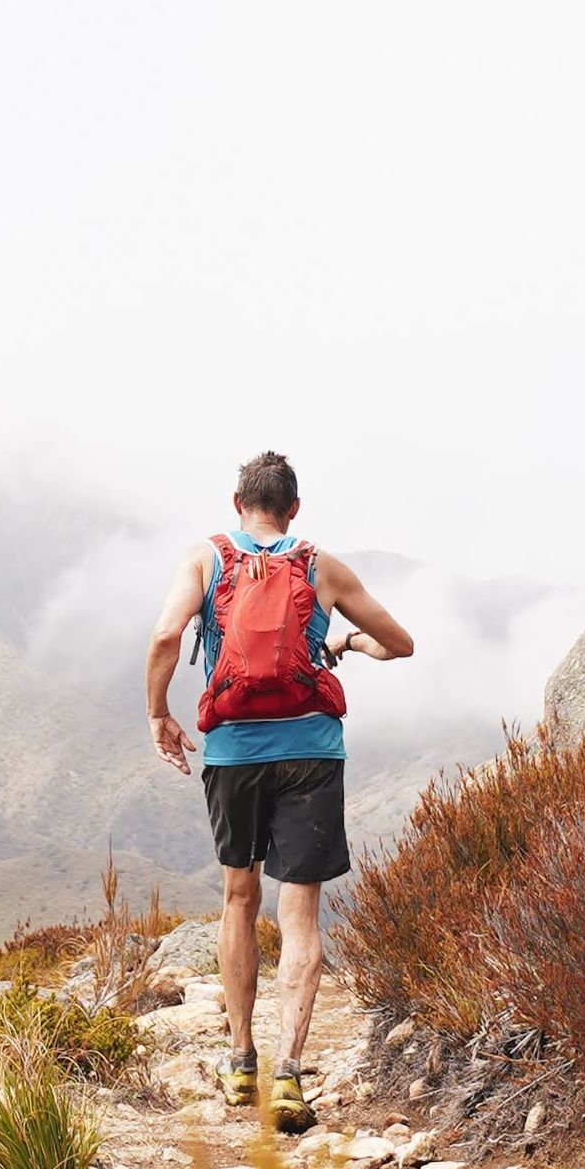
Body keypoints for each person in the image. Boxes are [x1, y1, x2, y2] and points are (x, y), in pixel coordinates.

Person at [145, 449, 413, 1130]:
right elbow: (401, 643)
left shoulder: (206, 560)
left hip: (232, 754)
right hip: (311, 753)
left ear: (238, 504)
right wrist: (346, 644)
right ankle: (289, 1075)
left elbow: (165, 634)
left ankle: (240, 1062)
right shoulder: (321, 566)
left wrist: (159, 714)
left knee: (240, 896)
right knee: (300, 914)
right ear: (294, 509)